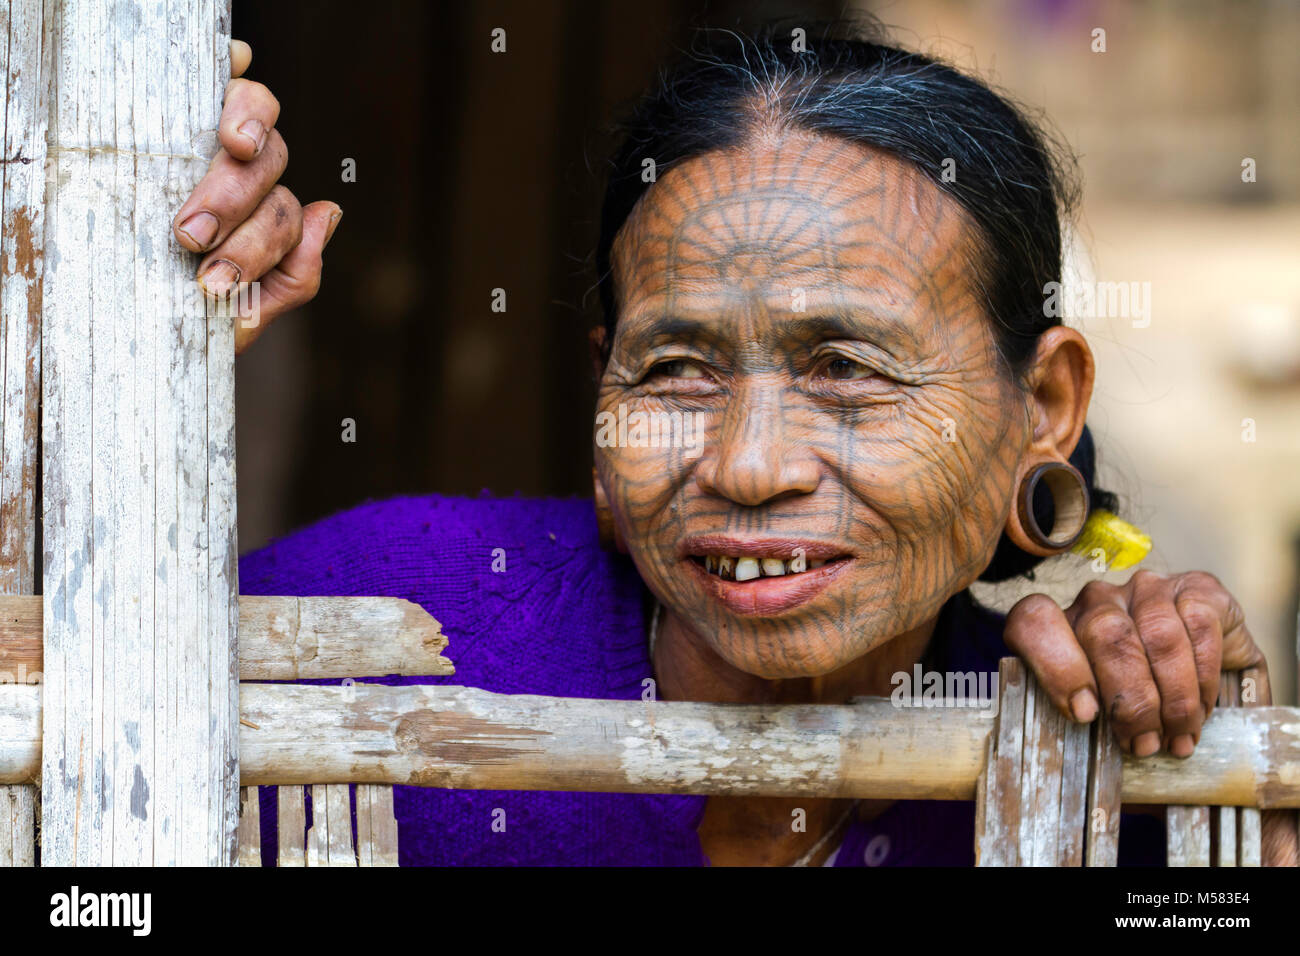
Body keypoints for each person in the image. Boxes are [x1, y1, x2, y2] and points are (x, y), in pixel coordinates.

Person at [176, 23, 1292, 866]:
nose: (750, 466)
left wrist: (1222, 785)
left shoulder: (1090, 755)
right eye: (674, 370)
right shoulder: (382, 618)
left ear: (1042, 402)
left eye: (846, 368)